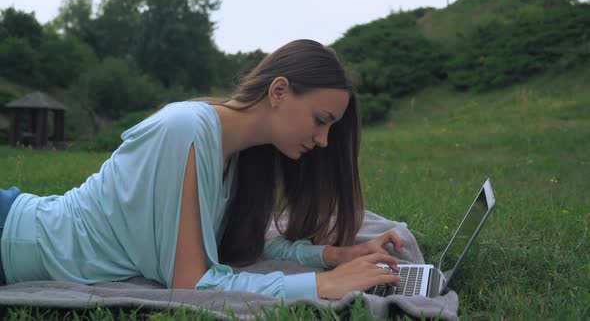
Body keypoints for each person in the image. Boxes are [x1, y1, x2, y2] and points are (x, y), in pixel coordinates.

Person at [0, 39, 404, 300]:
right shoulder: (186, 129)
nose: (324, 140)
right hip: (12, 236)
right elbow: (191, 284)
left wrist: (330, 256)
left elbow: (231, 244)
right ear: (279, 91)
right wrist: (322, 285)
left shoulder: (240, 156)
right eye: (321, 119)